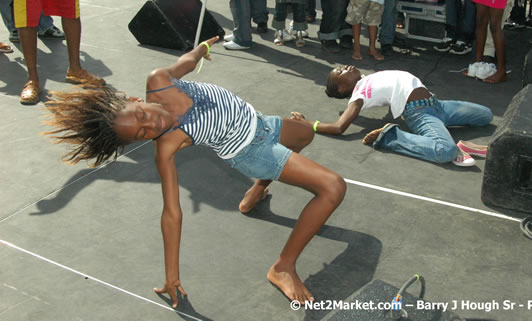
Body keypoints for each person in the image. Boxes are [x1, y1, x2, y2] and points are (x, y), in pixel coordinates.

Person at [44, 36, 346, 305]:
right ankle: (283, 267)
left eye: (141, 115)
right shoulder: (167, 145)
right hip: (251, 151)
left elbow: (184, 63)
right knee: (333, 187)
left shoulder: (159, 79)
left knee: (305, 134)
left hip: (260, 123)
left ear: (137, 100)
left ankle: (256, 190)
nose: (151, 125)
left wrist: (201, 48)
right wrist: (171, 275)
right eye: (141, 134)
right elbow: (171, 214)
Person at [291, 65, 493, 166]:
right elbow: (339, 127)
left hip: (437, 105)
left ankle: (443, 135)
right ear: (343, 87)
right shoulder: (358, 95)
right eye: (342, 71)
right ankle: (390, 137)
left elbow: (391, 89)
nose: (347, 67)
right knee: (445, 151)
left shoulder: (366, 78)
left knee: (486, 115)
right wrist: (309, 123)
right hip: (419, 112)